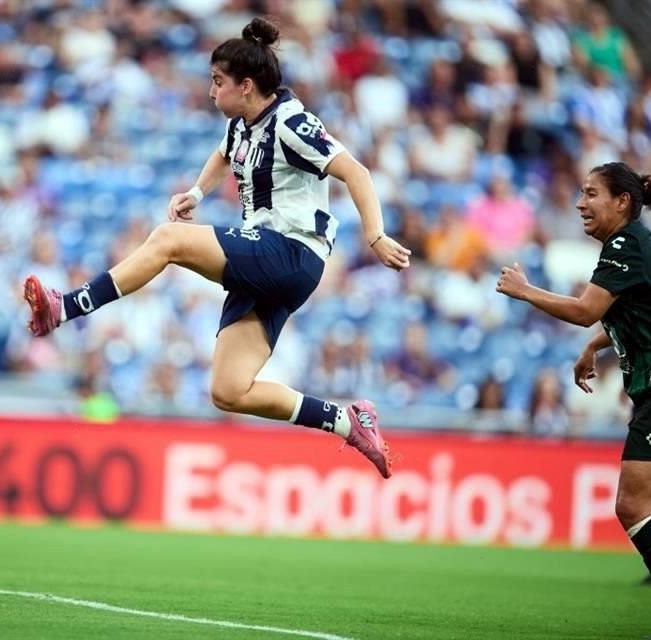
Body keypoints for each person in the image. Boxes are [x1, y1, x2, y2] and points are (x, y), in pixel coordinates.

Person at [21, 18, 411, 479]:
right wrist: (198, 193)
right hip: (268, 264)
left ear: (246, 86)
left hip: (291, 253)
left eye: (217, 82)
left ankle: (64, 308)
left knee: (168, 239)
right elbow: (224, 154)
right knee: (228, 390)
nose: (211, 92)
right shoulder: (242, 124)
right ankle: (348, 421)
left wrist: (376, 236)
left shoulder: (292, 121)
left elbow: (357, 172)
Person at [495, 162, 651, 639]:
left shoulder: (625, 243)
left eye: (591, 193)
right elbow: (644, 308)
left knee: (635, 506)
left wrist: (524, 291)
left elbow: (584, 310)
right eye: (580, 192)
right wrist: (595, 346)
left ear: (622, 201)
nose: (581, 202)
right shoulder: (634, 244)